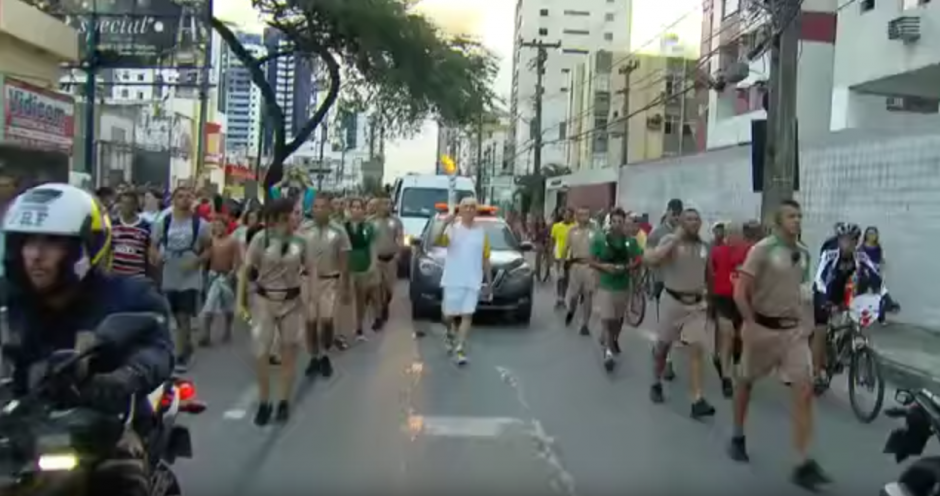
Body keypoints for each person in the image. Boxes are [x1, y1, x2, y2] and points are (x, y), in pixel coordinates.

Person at [3, 183, 173, 496]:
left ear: (84, 248)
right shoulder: (10, 300)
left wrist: (120, 379)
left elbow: (156, 349)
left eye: (52, 243)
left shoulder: (128, 295)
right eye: (27, 242)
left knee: (122, 475)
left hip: (108, 420)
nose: (36, 255)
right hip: (18, 419)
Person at [729, 199, 829, 489]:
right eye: (790, 216)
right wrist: (751, 324)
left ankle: (802, 461)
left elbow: (803, 293)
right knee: (745, 383)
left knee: (804, 390)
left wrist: (807, 328)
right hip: (762, 328)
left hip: (793, 334)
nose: (797, 220)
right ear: (777, 221)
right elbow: (740, 292)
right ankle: (737, 435)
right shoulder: (761, 250)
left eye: (799, 215)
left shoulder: (805, 253)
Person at [237, 199, 307, 425]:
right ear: (276, 219)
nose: (294, 220)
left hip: (292, 301)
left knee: (288, 356)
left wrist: (311, 301)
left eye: (296, 215)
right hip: (264, 300)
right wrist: (241, 302)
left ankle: (284, 402)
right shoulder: (261, 239)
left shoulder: (301, 242)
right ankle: (264, 402)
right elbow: (246, 269)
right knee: (261, 354)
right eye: (289, 216)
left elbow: (310, 272)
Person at [644, 208, 715, 418]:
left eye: (696, 219)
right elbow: (653, 259)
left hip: (696, 306)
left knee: (696, 349)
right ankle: (656, 382)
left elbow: (708, 273)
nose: (693, 222)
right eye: (689, 219)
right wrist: (675, 239)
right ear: (681, 222)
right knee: (662, 348)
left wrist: (709, 297)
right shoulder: (670, 240)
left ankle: (697, 400)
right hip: (673, 302)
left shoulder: (703, 246)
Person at [811, 222, 881, 390]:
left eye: (851, 240)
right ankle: (816, 372)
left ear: (857, 242)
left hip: (843, 289)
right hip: (825, 289)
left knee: (861, 321)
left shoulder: (860, 256)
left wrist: (885, 297)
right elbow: (820, 277)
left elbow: (876, 277)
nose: (847, 244)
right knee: (821, 328)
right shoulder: (830, 253)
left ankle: (859, 361)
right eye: (843, 240)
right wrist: (824, 301)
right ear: (838, 240)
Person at [150, 186, 210, 372]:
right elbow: (153, 245)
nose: (184, 200)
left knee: (184, 315)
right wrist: (155, 257)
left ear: (193, 200)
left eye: (188, 196)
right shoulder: (164, 221)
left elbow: (209, 249)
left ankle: (181, 355)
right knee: (173, 314)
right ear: (173, 200)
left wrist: (197, 262)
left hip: (190, 274)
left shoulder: (200, 224)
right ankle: (187, 345)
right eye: (180, 196)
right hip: (170, 272)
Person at [434, 197, 494, 366]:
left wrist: (489, 283)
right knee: (448, 316)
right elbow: (437, 241)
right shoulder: (452, 229)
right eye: (465, 207)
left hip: (472, 280)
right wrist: (445, 223)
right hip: (453, 279)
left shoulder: (482, 233)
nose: (469, 209)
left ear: (476, 211)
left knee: (467, 315)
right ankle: (449, 332)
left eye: (472, 207)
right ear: (459, 210)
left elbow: (486, 259)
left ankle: (460, 348)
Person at [301, 193, 351, 376]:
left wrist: (345, 285)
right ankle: (315, 356)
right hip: (308, 281)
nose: (319, 210)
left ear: (330, 209)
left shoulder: (339, 231)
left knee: (327, 320)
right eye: (315, 207)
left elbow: (344, 259)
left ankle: (325, 352)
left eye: (323, 207)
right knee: (311, 322)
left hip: (330, 281)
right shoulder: (304, 230)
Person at [590, 208, 642, 371]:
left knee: (617, 320)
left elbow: (639, 258)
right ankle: (607, 353)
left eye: (620, 221)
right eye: (614, 221)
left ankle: (612, 339)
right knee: (606, 319)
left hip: (623, 286)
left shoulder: (630, 242)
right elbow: (591, 261)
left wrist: (629, 267)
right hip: (606, 285)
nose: (617, 225)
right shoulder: (600, 239)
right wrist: (604, 267)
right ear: (610, 222)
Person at [645, 198, 684, 381]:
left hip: (680, 283)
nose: (676, 218)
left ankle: (662, 351)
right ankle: (666, 361)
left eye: (679, 215)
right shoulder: (657, 233)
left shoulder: (684, 233)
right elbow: (649, 256)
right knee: (665, 323)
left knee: (677, 325)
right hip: (662, 282)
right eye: (673, 214)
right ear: (668, 212)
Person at [199, 215, 239, 345]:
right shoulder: (211, 241)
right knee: (209, 306)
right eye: (215, 225)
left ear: (226, 227)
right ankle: (206, 334)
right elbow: (205, 258)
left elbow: (237, 260)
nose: (217, 228)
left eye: (220, 225)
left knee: (228, 307)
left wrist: (232, 273)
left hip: (226, 277)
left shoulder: (232, 241)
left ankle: (228, 329)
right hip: (213, 276)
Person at [345, 198, 378, 341]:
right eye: (354, 207)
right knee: (347, 299)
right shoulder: (343, 227)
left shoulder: (368, 227)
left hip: (363, 265)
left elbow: (372, 246)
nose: (357, 210)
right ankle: (345, 329)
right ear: (350, 209)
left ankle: (359, 327)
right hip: (348, 266)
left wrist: (373, 264)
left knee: (361, 299)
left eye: (359, 207)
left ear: (363, 210)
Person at [564, 206, 599, 336]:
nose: (584, 217)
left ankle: (585, 324)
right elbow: (566, 249)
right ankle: (571, 310)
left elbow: (600, 249)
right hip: (575, 266)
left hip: (589, 266)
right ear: (577, 217)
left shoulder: (595, 232)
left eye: (586, 214)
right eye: (581, 214)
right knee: (574, 295)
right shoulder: (572, 231)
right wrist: (563, 265)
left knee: (588, 294)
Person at [370, 196, 403, 328]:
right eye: (384, 203)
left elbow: (400, 237)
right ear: (378, 205)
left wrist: (398, 252)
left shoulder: (396, 222)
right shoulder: (371, 222)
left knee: (389, 290)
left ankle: (385, 304)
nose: (387, 206)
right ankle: (377, 318)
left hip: (391, 259)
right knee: (377, 288)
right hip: (376, 260)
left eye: (389, 204)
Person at [111, 191, 152, 278]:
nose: (125, 207)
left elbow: (150, 252)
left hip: (137, 276)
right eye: (123, 203)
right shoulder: (113, 225)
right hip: (116, 276)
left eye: (129, 204)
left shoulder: (145, 227)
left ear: (135, 206)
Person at [549, 208, 575, 308]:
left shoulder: (574, 227)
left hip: (569, 256)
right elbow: (552, 241)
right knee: (560, 277)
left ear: (571, 217)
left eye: (569, 215)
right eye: (566, 214)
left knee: (567, 279)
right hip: (559, 256)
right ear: (563, 215)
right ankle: (559, 298)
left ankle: (563, 297)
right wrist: (551, 254)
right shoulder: (556, 226)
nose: (567, 217)